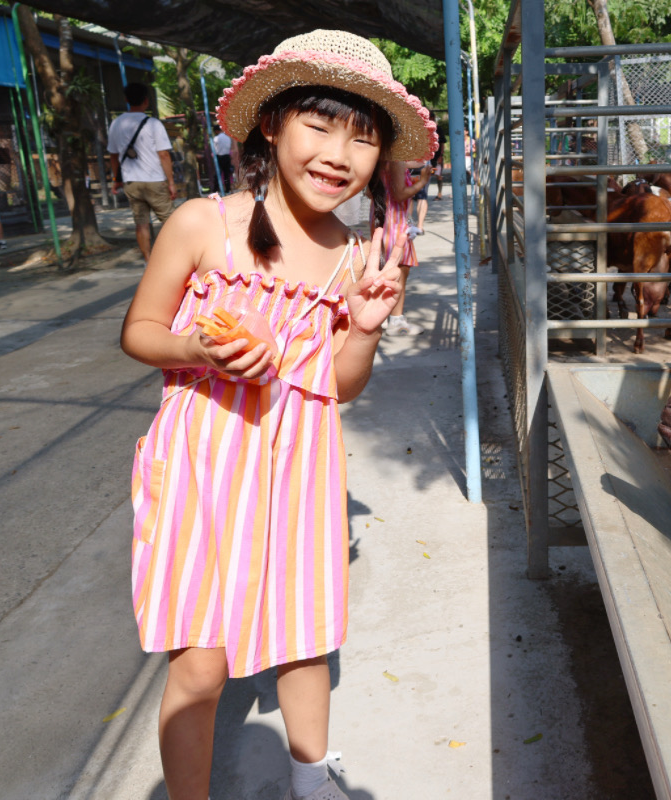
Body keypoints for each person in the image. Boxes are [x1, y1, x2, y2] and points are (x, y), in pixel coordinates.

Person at [119, 29, 437, 800]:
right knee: (201, 661)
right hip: (201, 466)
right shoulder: (204, 226)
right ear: (272, 124)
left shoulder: (353, 255)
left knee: (303, 639)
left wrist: (361, 327)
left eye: (362, 139)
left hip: (300, 470)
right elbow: (140, 332)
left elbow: (341, 385)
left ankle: (310, 779)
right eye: (320, 125)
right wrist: (199, 347)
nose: (338, 155)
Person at [107, 82, 177, 263]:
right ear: (146, 100)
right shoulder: (153, 124)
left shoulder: (116, 124)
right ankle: (175, 257)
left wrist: (116, 180)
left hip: (131, 182)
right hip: (154, 180)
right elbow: (163, 154)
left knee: (141, 223)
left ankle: (148, 260)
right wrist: (170, 182)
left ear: (126, 100)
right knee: (171, 222)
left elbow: (113, 156)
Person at [377, 158, 431, 335]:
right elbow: (400, 194)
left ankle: (385, 315)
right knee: (399, 270)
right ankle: (396, 321)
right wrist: (422, 181)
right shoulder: (395, 161)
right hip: (394, 223)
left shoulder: (385, 160)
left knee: (388, 268)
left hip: (386, 218)